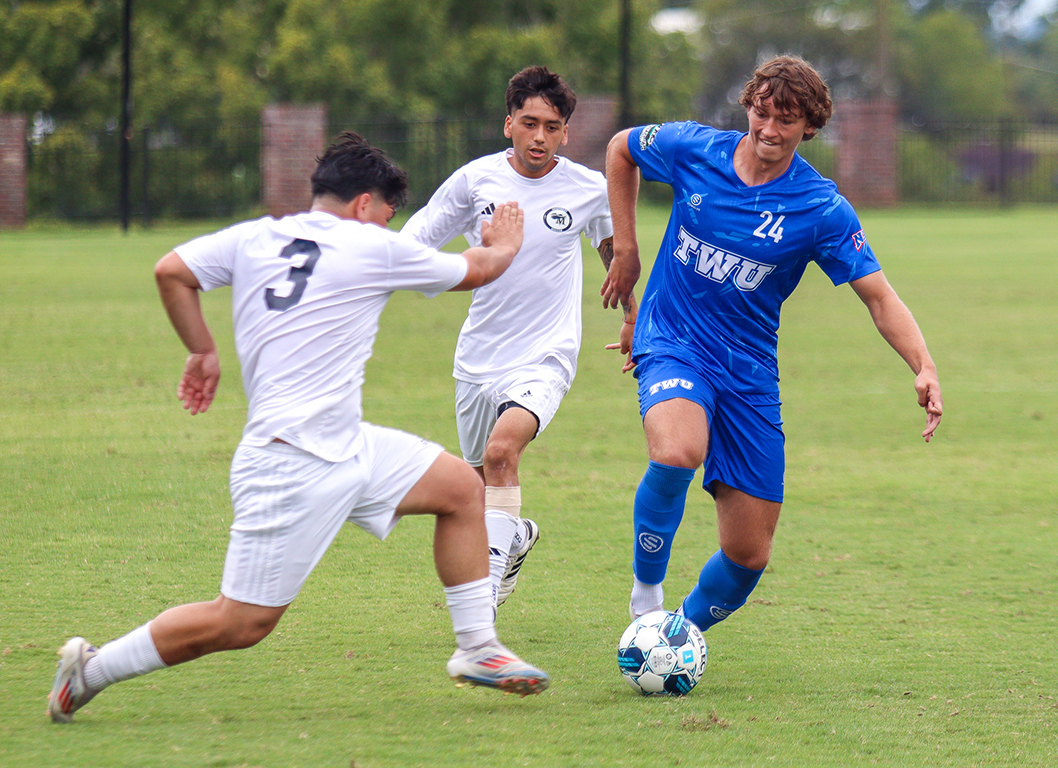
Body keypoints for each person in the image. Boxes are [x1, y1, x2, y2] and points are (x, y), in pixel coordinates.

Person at [48, 133, 547, 724]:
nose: (386, 232)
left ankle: (478, 650)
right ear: (364, 205)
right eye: (386, 219)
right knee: (241, 621)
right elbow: (477, 268)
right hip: (291, 460)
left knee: (461, 489)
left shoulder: (255, 236)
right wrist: (506, 241)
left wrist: (202, 351)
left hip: (346, 442)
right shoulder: (370, 248)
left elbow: (171, 271)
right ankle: (92, 669)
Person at [603, 56, 943, 631]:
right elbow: (619, 148)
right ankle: (646, 598)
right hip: (673, 338)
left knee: (748, 555)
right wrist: (628, 252)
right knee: (675, 451)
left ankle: (674, 637)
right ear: (748, 108)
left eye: (785, 120)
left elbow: (879, 298)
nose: (768, 129)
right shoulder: (695, 148)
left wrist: (924, 364)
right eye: (761, 113)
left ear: (809, 126)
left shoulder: (820, 208)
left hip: (749, 370)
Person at [402, 66, 620, 615]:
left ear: (566, 132)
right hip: (478, 358)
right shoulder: (475, 181)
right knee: (479, 493)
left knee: (502, 452)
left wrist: (635, 319)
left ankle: (486, 601)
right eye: (529, 123)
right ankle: (515, 536)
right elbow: (414, 245)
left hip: (546, 355)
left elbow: (617, 256)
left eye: (551, 126)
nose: (539, 137)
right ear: (508, 124)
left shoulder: (587, 189)